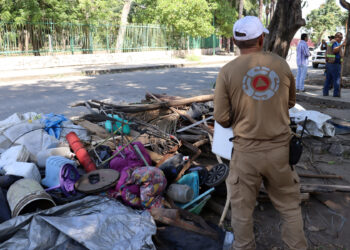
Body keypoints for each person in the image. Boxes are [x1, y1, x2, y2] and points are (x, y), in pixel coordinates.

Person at [214, 16, 308, 250]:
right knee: (289, 206)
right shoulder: (281, 65)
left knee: (242, 210)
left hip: (245, 152)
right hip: (280, 151)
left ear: (235, 41)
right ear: (261, 38)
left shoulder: (226, 71)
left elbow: (222, 118)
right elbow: (290, 103)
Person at [323, 32, 346, 97]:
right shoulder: (335, 43)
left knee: (328, 79)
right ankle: (336, 94)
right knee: (336, 80)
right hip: (335, 64)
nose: (341, 39)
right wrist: (342, 45)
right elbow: (335, 50)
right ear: (337, 37)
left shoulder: (331, 42)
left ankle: (325, 93)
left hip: (329, 63)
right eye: (341, 38)